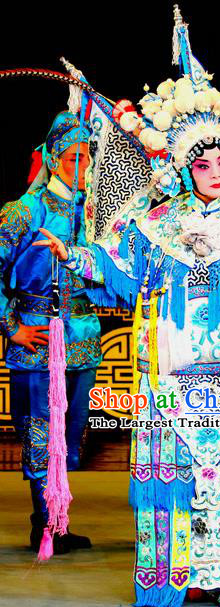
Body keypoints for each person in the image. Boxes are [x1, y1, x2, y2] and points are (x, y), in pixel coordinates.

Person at [35, 70, 220, 607]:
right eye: (201, 164)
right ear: (184, 169)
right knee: (180, 477)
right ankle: (183, 576)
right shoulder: (156, 223)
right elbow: (122, 275)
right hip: (174, 371)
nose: (214, 173)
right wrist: (74, 255)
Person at [0, 111, 102, 553]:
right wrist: (12, 327)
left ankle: (59, 520)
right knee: (41, 434)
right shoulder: (24, 211)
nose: (82, 167)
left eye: (88, 158)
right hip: (38, 337)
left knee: (71, 433)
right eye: (74, 157)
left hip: (81, 341)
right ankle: (44, 523)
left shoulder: (93, 214)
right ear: (55, 159)